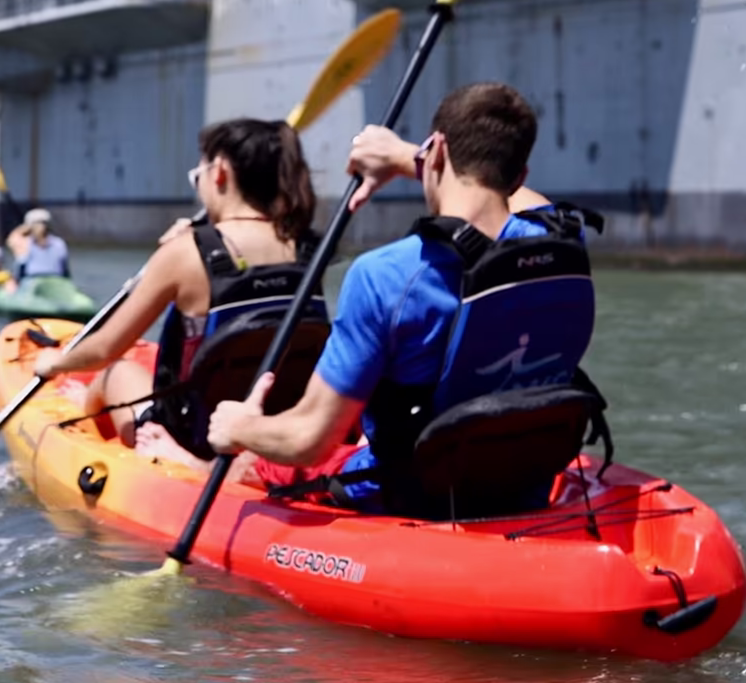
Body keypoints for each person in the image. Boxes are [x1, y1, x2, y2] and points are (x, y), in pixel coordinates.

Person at [206, 82, 600, 518]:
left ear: (437, 152)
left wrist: (239, 427)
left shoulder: (386, 275)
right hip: (517, 480)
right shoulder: (558, 242)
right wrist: (409, 157)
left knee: (257, 460)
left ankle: (191, 465)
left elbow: (308, 440)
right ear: (520, 175)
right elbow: (517, 197)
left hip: (405, 493)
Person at [31, 119, 328, 477]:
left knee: (116, 372)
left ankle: (83, 408)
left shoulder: (185, 253)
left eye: (198, 172)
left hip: (195, 436)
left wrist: (56, 364)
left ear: (219, 171)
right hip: (275, 426)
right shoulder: (309, 249)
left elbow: (106, 347)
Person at [7, 208, 71, 283]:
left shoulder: (58, 243)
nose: (40, 227)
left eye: (42, 223)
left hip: (55, 281)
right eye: (36, 224)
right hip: (32, 281)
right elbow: (12, 240)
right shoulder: (26, 242)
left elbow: (65, 269)